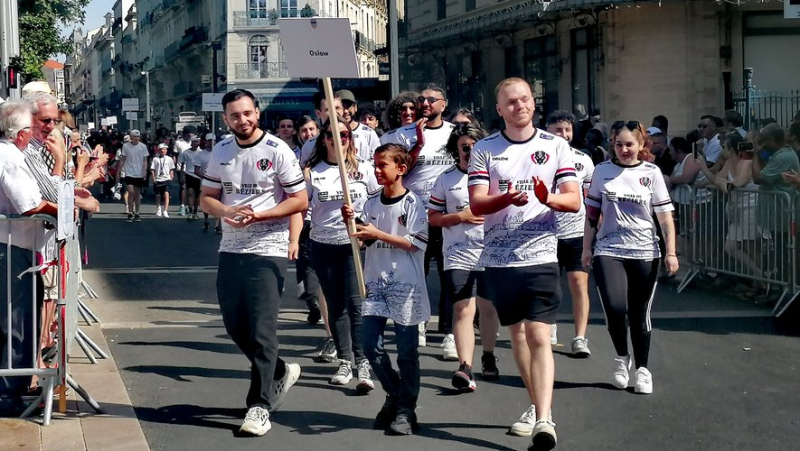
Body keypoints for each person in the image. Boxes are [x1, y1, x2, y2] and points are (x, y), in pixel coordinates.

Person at [468, 78, 581, 449]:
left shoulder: (555, 146)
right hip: (499, 260)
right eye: (511, 102)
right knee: (516, 334)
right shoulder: (485, 149)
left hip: (541, 254)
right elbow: (477, 204)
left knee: (538, 335)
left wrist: (547, 198)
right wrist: (506, 201)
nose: (520, 106)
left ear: (534, 104)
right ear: (499, 109)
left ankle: (545, 418)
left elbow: (574, 200)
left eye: (526, 99)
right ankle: (535, 406)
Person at [199, 89, 306, 436]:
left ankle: (259, 406)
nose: (242, 120)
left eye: (247, 113)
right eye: (234, 116)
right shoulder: (222, 151)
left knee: (262, 329)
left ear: (257, 113)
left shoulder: (277, 150)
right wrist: (228, 210)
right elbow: (206, 199)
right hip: (231, 249)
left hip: (269, 247)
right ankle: (278, 370)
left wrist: (262, 217)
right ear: (226, 119)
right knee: (235, 326)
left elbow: (299, 199)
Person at [583, 120, 678, 396]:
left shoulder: (651, 173)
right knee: (614, 308)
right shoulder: (602, 171)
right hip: (609, 249)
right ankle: (622, 358)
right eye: (618, 144)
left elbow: (665, 218)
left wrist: (671, 252)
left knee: (639, 313)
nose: (624, 149)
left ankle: (643, 369)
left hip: (645, 251)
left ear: (640, 145)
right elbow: (591, 215)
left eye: (629, 144)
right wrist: (586, 248)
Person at [342, 143, 430, 435]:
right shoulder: (370, 203)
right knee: (369, 346)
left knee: (406, 352)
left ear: (401, 169)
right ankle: (396, 396)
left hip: (407, 286)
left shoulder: (413, 203)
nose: (377, 171)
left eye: (384, 166)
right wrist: (351, 225)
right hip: (376, 284)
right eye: (375, 165)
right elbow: (362, 241)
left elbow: (414, 243)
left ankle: (406, 410)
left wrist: (377, 233)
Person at [306, 115, 380, 391]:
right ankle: (344, 360)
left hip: (353, 245)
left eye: (344, 135)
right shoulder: (313, 171)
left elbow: (379, 204)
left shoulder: (364, 169)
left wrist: (363, 226)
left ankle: (363, 363)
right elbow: (304, 208)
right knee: (335, 307)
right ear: (323, 140)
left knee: (357, 305)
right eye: (330, 135)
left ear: (350, 139)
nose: (337, 140)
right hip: (323, 244)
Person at [428, 123, 500, 392]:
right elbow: (433, 218)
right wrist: (460, 217)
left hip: (491, 252)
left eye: (474, 146)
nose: (469, 151)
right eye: (464, 147)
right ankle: (465, 366)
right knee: (463, 309)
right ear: (456, 150)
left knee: (488, 308)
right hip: (457, 253)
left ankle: (489, 355)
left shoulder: (493, 175)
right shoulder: (446, 179)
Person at [386, 84, 455, 352]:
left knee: (449, 274)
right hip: (414, 215)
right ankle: (418, 324)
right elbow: (397, 171)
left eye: (431, 100)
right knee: (416, 273)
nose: (425, 104)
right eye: (421, 100)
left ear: (443, 104)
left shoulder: (453, 132)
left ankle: (449, 332)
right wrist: (418, 142)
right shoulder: (403, 134)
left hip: (447, 215)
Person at [0, 100, 58, 415]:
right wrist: (59, 209)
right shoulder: (10, 156)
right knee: (16, 320)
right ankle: (9, 392)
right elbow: (29, 204)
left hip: (17, 245)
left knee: (20, 317)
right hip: (11, 246)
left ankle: (14, 387)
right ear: (22, 133)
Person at [545, 110, 595, 356]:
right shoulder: (538, 158)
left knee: (579, 284)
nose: (564, 135)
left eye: (567, 130)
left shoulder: (583, 160)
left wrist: (593, 230)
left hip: (576, 232)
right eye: (558, 130)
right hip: (546, 232)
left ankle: (580, 337)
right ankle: (550, 326)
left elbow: (590, 199)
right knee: (550, 285)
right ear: (548, 131)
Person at [337, 89, 381, 162]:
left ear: (355, 107)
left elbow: (377, 159)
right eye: (342, 107)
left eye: (349, 106)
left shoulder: (368, 133)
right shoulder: (329, 134)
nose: (346, 111)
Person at [116, 129, 149, 222]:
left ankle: (137, 212)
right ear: (131, 137)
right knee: (131, 192)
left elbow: (145, 160)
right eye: (134, 136)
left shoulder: (143, 147)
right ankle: (130, 212)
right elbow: (123, 158)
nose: (136, 138)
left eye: (138, 136)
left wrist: (144, 171)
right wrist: (119, 170)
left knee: (137, 194)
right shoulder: (126, 146)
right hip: (129, 172)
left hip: (139, 173)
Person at [194, 133, 215, 231]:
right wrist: (205, 177)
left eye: (213, 141)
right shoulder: (201, 154)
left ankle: (218, 224)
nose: (211, 143)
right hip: (206, 181)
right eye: (209, 141)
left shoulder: (219, 152)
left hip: (218, 180)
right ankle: (206, 219)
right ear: (206, 142)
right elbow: (196, 170)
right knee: (206, 201)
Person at [151, 143, 175, 218]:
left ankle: (165, 210)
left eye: (165, 149)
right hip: (158, 178)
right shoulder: (155, 159)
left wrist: (171, 177)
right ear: (159, 150)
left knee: (166, 194)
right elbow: (152, 169)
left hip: (166, 178)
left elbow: (171, 168)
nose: (163, 151)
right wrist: (154, 179)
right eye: (162, 149)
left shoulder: (169, 159)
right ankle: (158, 207)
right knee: (158, 194)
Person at [175, 126, 195, 216]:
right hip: (181, 168)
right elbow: (175, 155)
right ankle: (182, 205)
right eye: (192, 133)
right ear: (187, 133)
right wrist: (173, 167)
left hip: (192, 168)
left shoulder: (194, 142)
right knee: (183, 186)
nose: (193, 135)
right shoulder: (178, 143)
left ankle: (189, 205)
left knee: (191, 188)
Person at [182, 136, 203, 220]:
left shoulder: (201, 152)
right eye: (195, 142)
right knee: (190, 192)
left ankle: (195, 211)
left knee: (198, 194)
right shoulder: (186, 153)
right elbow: (183, 164)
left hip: (198, 175)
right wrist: (182, 174)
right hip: (189, 174)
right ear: (192, 143)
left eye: (198, 142)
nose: (197, 143)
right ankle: (190, 212)